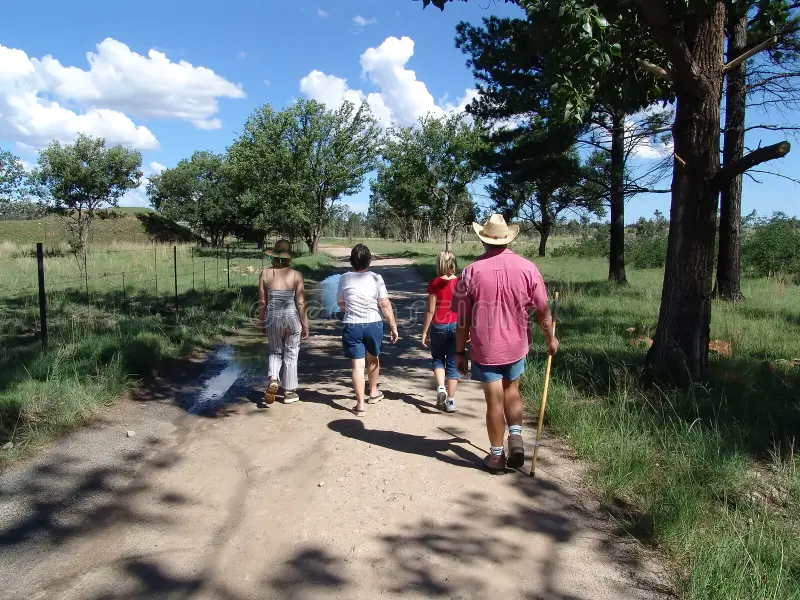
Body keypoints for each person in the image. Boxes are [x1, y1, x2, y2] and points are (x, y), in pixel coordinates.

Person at [453, 214, 559, 474]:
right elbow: (543, 311)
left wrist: (458, 351)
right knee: (512, 391)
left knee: (494, 402)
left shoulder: (470, 272)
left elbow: (463, 319)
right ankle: (515, 437)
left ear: (484, 239)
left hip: (485, 347)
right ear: (507, 239)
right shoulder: (528, 268)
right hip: (515, 345)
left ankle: (497, 457)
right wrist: (550, 338)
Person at [337, 244, 399, 416]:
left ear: (351, 261)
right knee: (373, 359)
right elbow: (385, 304)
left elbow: (341, 303)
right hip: (373, 324)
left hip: (352, 325)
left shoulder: (344, 278)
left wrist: (349, 310)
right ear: (369, 261)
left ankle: (360, 405)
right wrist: (393, 326)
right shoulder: (376, 278)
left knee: (357, 364)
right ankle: (373, 393)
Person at [258, 239, 309, 405]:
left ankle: (273, 378)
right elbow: (300, 303)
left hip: (273, 318)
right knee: (291, 354)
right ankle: (289, 392)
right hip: (291, 318)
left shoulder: (265, 274)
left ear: (274, 255)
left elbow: (262, 302)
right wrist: (305, 324)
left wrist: (261, 321)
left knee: (275, 351)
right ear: (289, 257)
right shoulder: (296, 275)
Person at [421, 251, 460, 413]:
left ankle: (441, 388)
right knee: (453, 362)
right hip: (457, 326)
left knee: (437, 358)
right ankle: (450, 401)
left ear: (439, 265)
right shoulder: (461, 283)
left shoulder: (435, 283)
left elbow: (430, 310)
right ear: (453, 264)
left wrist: (425, 331)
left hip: (439, 325)